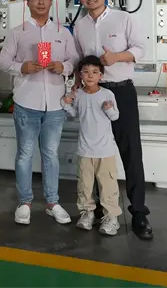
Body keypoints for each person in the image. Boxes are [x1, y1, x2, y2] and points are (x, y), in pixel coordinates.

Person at [72, 0, 153, 240]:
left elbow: (140, 49)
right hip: (92, 95)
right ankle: (97, 209)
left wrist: (116, 57)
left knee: (131, 152)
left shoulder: (123, 18)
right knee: (95, 154)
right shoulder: (80, 26)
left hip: (120, 92)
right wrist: (76, 84)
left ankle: (138, 212)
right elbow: (79, 60)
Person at [0, 0, 79, 226]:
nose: (41, 2)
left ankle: (52, 202)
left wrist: (63, 67)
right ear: (28, 2)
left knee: (51, 154)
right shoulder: (17, 32)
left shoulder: (63, 32)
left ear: (52, 1)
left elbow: (74, 60)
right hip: (26, 102)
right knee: (24, 153)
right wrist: (21, 67)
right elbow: (3, 62)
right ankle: (24, 202)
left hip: (55, 103)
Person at [62, 55, 121, 236]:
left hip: (105, 151)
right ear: (80, 75)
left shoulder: (107, 94)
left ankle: (111, 217)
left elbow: (115, 116)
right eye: (86, 72)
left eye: (95, 72)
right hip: (85, 150)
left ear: (101, 75)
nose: (90, 75)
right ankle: (87, 213)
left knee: (108, 185)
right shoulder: (78, 94)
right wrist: (66, 104)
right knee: (84, 185)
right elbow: (74, 114)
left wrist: (109, 109)